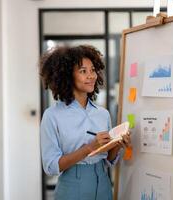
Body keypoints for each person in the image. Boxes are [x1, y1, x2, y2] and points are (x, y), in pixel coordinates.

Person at [39, 45, 131, 200]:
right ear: (68, 76)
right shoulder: (52, 116)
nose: (91, 76)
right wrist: (89, 148)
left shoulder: (103, 114)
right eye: (83, 71)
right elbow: (51, 166)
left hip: (103, 183)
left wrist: (117, 145)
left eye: (93, 70)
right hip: (72, 186)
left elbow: (108, 160)